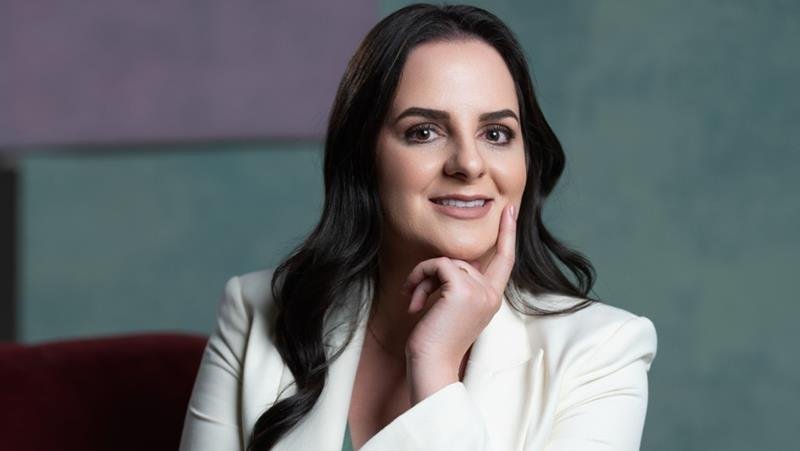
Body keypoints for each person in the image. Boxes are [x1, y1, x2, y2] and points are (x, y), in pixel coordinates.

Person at [178, 3, 657, 451]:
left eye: (496, 134)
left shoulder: (603, 351)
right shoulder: (253, 312)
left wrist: (435, 367)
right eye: (424, 132)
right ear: (364, 156)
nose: (469, 163)